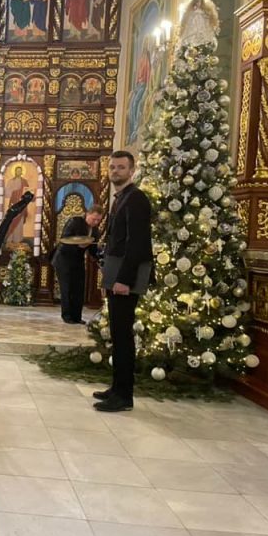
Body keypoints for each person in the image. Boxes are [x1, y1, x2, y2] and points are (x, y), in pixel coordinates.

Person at [94, 151, 153, 412]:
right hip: (117, 269)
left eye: (121, 167)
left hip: (126, 274)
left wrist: (124, 280)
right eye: (112, 167)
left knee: (123, 334)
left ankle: (124, 396)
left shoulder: (136, 198)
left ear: (131, 170)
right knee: (118, 334)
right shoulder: (122, 198)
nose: (115, 171)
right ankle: (117, 388)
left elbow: (137, 243)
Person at [52, 204, 103, 324]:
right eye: (94, 219)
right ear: (87, 214)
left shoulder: (95, 231)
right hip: (64, 259)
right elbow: (65, 239)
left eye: (98, 220)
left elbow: (93, 250)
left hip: (78, 260)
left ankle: (77, 317)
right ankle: (67, 316)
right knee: (67, 288)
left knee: (79, 288)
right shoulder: (75, 222)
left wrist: (100, 258)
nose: (96, 222)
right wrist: (79, 245)